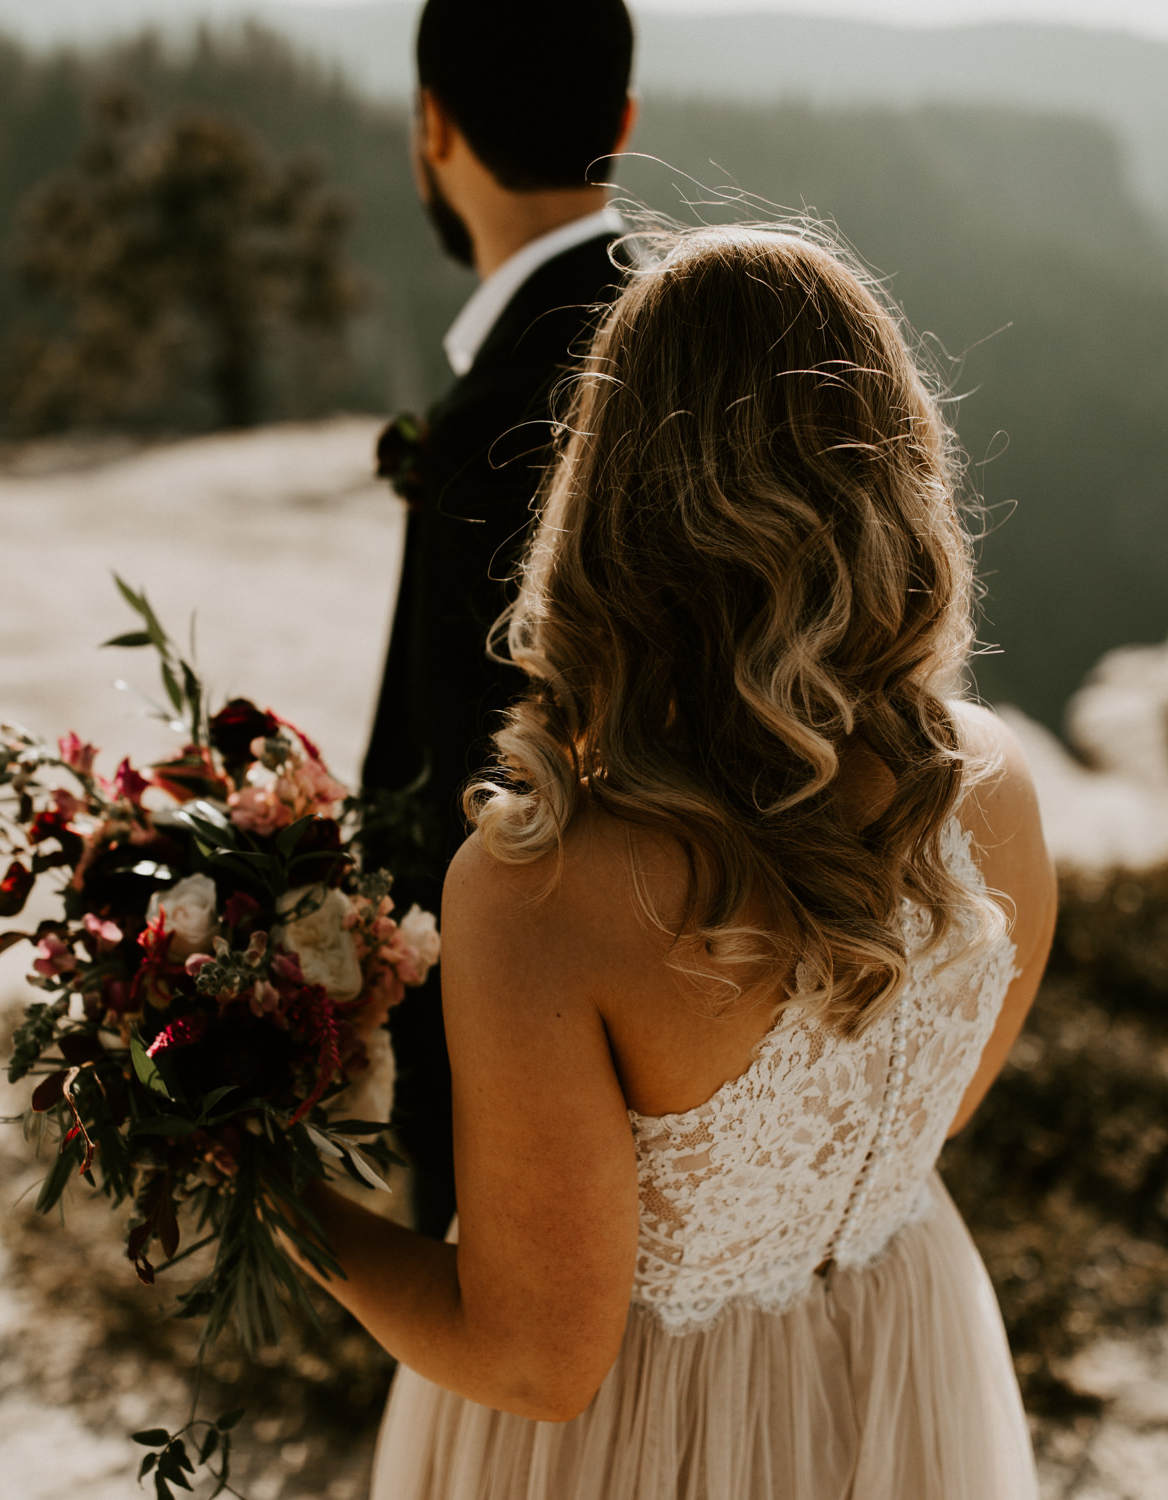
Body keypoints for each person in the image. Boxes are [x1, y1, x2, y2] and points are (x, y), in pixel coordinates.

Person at [298, 224, 1054, 1497]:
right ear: (897, 468)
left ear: (608, 489)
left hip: (640, 1447)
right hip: (897, 1355)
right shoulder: (991, 788)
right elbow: (936, 1116)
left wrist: (282, 1208)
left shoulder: (544, 893)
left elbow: (540, 1364)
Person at [366, 0, 640, 1239]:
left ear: (432, 126)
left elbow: (462, 796)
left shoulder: (493, 426)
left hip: (519, 1094)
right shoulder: (689, 346)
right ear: (623, 125)